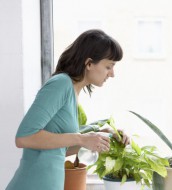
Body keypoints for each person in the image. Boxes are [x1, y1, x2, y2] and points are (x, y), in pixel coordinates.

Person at [6, 29, 130, 190]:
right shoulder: (61, 84)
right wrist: (81, 138)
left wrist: (102, 136)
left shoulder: (72, 92)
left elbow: (57, 150)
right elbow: (24, 137)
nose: (112, 74)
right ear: (89, 63)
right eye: (108, 66)